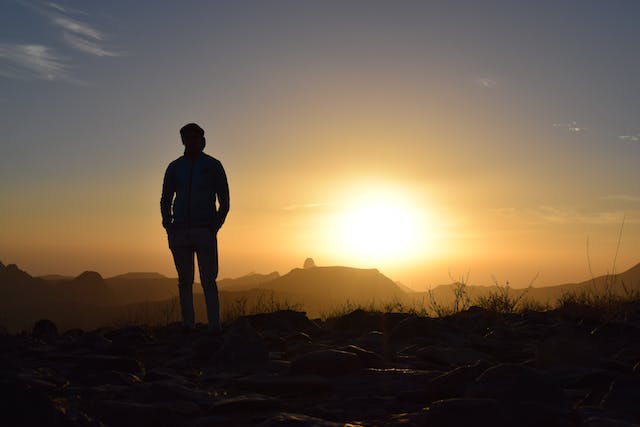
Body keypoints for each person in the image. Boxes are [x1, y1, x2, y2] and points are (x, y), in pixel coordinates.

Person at [160, 123, 229, 333]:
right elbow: (166, 198)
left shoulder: (213, 165)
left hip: (203, 231)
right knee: (185, 282)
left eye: (194, 138)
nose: (190, 141)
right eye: (187, 138)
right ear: (183, 140)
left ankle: (214, 326)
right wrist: (169, 225)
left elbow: (224, 201)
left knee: (208, 280)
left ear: (202, 140)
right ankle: (188, 326)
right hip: (180, 232)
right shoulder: (174, 167)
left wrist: (213, 227)